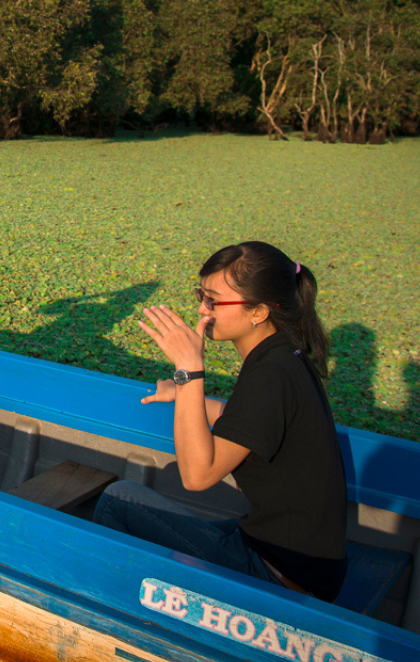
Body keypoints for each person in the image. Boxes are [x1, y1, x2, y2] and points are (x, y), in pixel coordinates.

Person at [93, 241, 349, 601]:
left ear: (258, 311)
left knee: (120, 499)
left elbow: (198, 477)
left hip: (278, 574)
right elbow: (248, 417)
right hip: (303, 561)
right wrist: (185, 393)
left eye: (213, 300)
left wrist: (189, 371)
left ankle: (111, 610)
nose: (202, 310)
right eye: (201, 294)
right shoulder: (284, 357)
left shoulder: (269, 376)